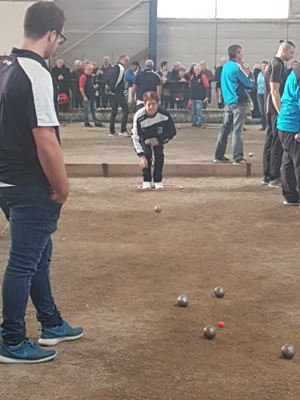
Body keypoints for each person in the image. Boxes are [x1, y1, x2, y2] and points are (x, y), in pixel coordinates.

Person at [0, 1, 83, 364]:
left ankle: (50, 323)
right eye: (59, 39)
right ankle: (12, 341)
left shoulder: (4, 66)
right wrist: (62, 188)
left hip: (6, 182)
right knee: (23, 262)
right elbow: (46, 142)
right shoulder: (36, 73)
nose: (56, 45)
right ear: (52, 34)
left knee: (37, 256)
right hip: (30, 186)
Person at [263, 40, 295, 187]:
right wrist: (281, 112)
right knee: (277, 142)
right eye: (291, 52)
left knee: (270, 141)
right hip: (275, 109)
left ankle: (267, 175)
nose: (292, 55)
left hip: (270, 109)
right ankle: (274, 176)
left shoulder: (273, 64)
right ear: (284, 50)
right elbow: (274, 91)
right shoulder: (277, 65)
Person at [213, 44, 253, 164]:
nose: (242, 54)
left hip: (228, 102)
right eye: (240, 52)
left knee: (224, 129)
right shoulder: (237, 67)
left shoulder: (225, 67)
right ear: (236, 54)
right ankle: (237, 157)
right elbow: (248, 84)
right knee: (237, 130)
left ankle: (218, 155)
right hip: (238, 102)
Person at [132, 91, 176, 189]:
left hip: (159, 137)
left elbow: (172, 132)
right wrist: (141, 155)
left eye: (153, 104)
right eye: (149, 104)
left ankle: (158, 180)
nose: (151, 107)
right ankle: (146, 180)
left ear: (158, 104)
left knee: (159, 155)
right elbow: (135, 136)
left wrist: (160, 141)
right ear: (144, 104)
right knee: (147, 155)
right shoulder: (138, 116)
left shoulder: (164, 115)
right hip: (144, 137)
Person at [277, 64, 300, 205]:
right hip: (293, 124)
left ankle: (290, 196)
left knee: (288, 161)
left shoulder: (295, 72)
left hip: (285, 124)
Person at [107, 54, 130, 136]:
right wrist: (114, 89)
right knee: (126, 110)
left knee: (114, 111)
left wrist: (110, 89)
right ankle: (123, 130)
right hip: (118, 93)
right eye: (126, 61)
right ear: (122, 60)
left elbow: (109, 79)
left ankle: (111, 131)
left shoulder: (113, 68)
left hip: (112, 93)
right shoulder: (121, 68)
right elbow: (118, 80)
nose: (127, 63)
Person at [79, 64, 105, 128]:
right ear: (86, 69)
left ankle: (96, 122)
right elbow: (81, 87)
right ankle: (86, 122)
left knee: (93, 109)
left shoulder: (90, 77)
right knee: (86, 110)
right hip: (87, 96)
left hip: (91, 96)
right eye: (90, 69)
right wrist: (84, 96)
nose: (91, 71)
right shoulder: (83, 77)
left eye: (92, 70)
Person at [256, 60, 268, 131]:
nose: (263, 67)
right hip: (259, 93)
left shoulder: (269, 74)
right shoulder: (259, 74)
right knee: (261, 111)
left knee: (266, 110)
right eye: (262, 66)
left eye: (265, 66)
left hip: (266, 94)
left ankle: (268, 126)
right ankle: (263, 125)